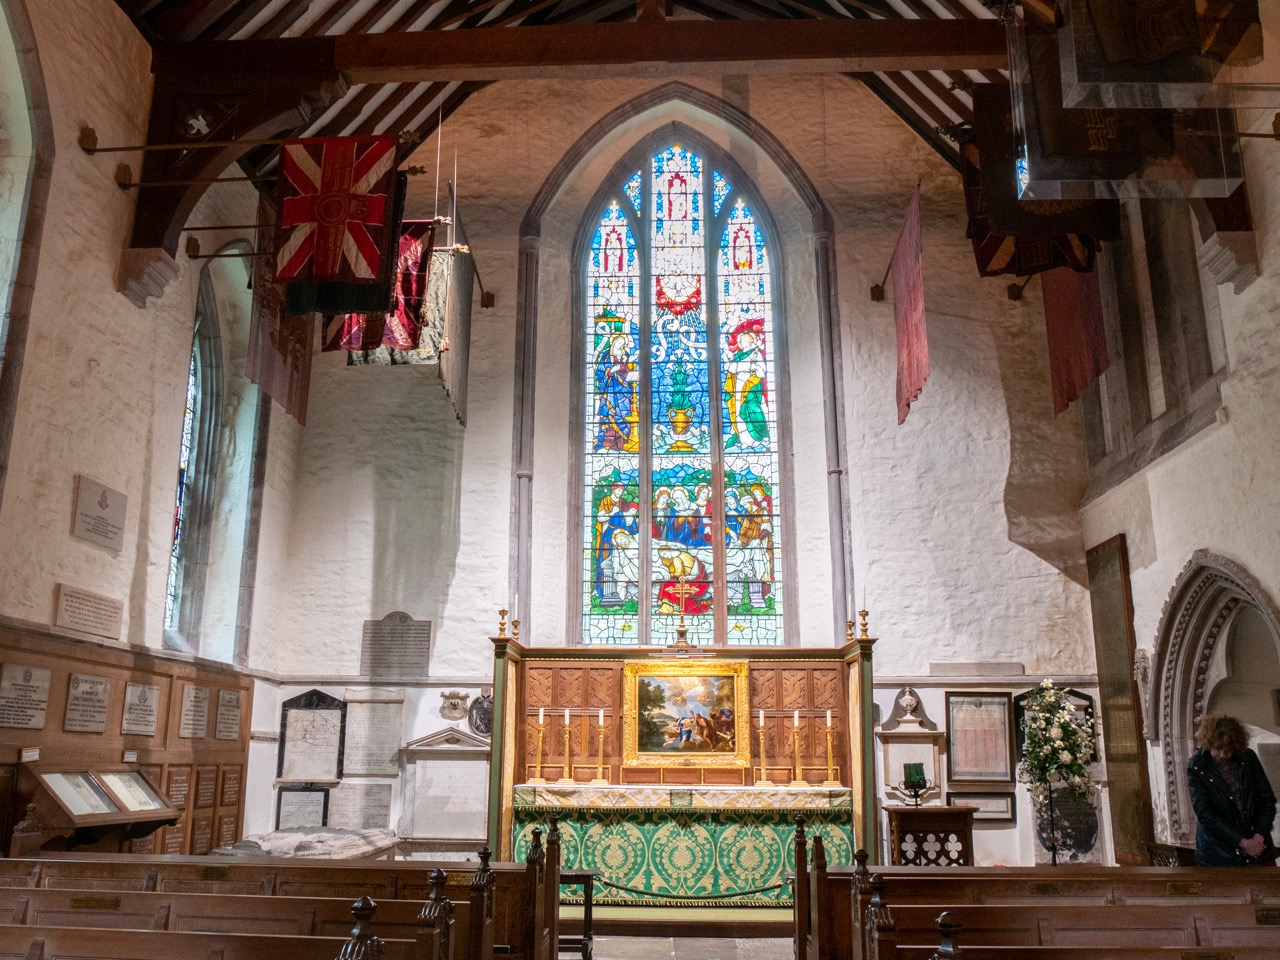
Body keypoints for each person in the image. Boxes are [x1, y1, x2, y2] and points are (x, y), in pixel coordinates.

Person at [1186, 714, 1278, 866]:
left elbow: (1267, 800)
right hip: (1219, 853)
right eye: (1218, 748)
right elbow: (1205, 813)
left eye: (1228, 750)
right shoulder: (1197, 765)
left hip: (1259, 849)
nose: (1222, 755)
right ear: (1209, 743)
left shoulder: (1248, 758)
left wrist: (1258, 836)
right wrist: (1241, 841)